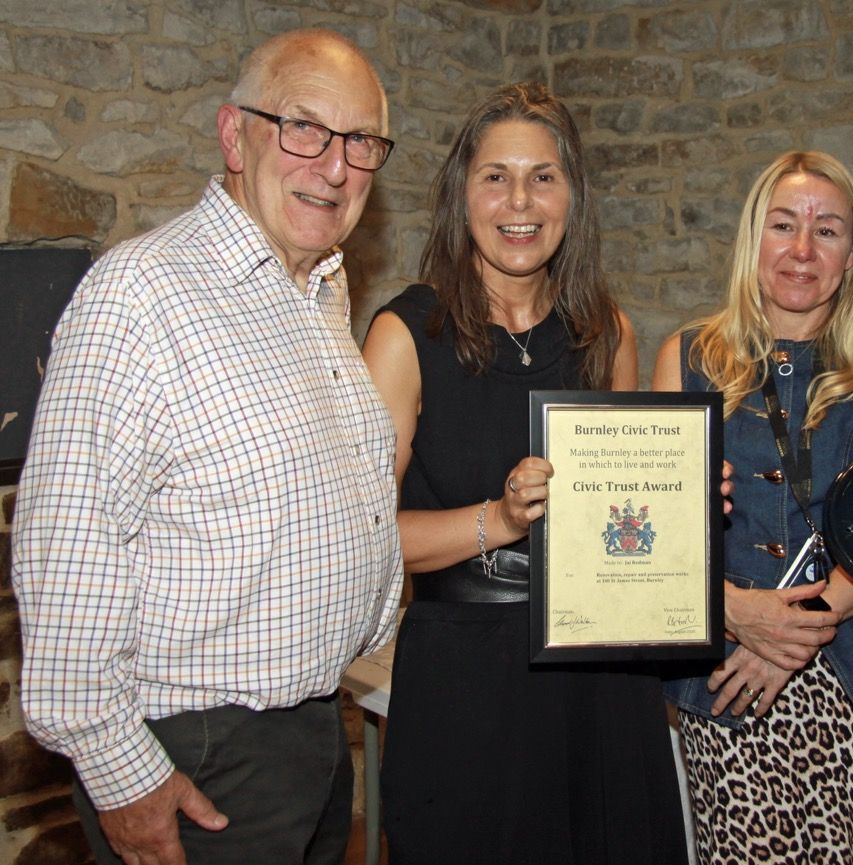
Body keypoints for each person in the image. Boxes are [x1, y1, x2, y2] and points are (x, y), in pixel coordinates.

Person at [11, 29, 402, 865]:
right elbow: (68, 554)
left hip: (308, 732)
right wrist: (124, 776)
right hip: (200, 755)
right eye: (304, 127)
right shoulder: (140, 294)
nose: (334, 166)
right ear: (234, 135)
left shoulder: (316, 296)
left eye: (361, 141)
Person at [360, 81, 688, 865]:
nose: (521, 200)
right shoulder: (406, 336)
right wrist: (498, 521)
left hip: (601, 678)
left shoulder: (606, 333)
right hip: (468, 683)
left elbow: (619, 524)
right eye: (495, 176)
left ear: (572, 196)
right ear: (461, 195)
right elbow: (362, 535)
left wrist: (682, 510)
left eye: (543, 176)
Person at [653, 150, 853, 864]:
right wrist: (736, 614)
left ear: (851, 253)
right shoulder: (685, 357)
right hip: (729, 677)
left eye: (827, 229)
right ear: (754, 240)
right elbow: (655, 543)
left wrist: (798, 630)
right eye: (784, 225)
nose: (802, 249)